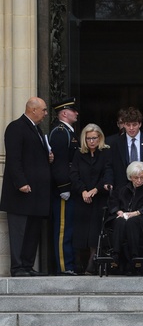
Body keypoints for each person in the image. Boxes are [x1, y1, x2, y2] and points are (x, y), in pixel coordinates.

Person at [1, 97, 52, 277]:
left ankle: (27, 266)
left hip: (36, 193)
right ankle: (17, 267)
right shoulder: (16, 127)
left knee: (32, 231)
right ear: (33, 110)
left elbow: (33, 156)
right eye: (44, 110)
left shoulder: (37, 129)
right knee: (19, 231)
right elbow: (13, 159)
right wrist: (21, 182)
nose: (46, 114)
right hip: (20, 193)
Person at [69, 123, 112, 274]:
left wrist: (95, 190)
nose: (92, 141)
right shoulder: (79, 154)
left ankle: (91, 264)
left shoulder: (106, 153)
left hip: (99, 198)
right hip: (82, 198)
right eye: (88, 138)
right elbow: (74, 175)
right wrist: (83, 191)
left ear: (100, 138)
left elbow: (107, 174)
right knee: (80, 233)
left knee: (95, 232)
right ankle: (78, 264)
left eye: (94, 138)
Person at [108, 161, 143, 274]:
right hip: (124, 216)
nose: (139, 180)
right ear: (130, 177)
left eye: (141, 177)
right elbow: (113, 202)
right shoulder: (122, 189)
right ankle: (116, 254)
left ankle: (134, 255)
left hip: (142, 218)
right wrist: (118, 211)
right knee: (120, 221)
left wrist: (137, 212)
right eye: (136, 178)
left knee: (132, 222)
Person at [48, 97, 80, 275]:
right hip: (64, 189)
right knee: (62, 229)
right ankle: (63, 266)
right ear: (64, 113)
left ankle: (70, 264)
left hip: (71, 187)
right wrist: (63, 187)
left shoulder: (69, 131)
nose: (76, 113)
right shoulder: (60, 132)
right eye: (73, 110)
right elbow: (59, 163)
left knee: (69, 228)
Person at [108, 106, 143, 193]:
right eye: (128, 125)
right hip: (123, 189)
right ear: (123, 124)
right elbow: (109, 165)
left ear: (140, 124)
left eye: (134, 124)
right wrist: (108, 181)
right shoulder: (115, 143)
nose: (131, 128)